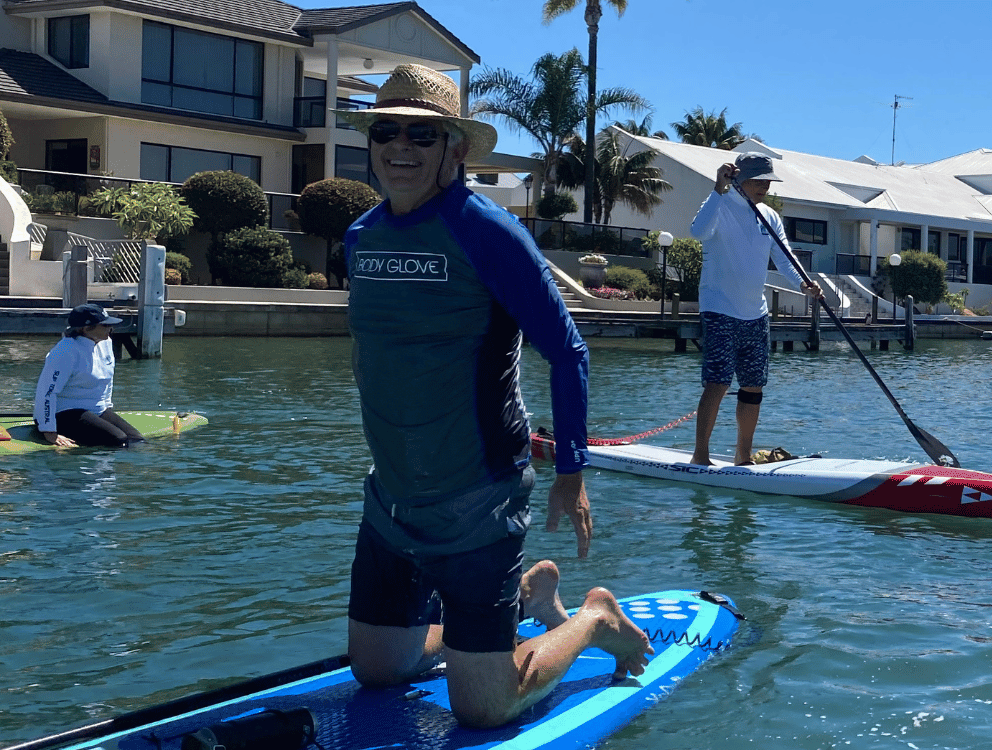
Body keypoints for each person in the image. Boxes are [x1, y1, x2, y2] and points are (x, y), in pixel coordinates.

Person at [336, 64, 649, 729]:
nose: (400, 148)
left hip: (480, 497)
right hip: (391, 498)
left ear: (456, 147)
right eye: (386, 131)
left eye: (422, 136)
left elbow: (567, 350)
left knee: (484, 707)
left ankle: (592, 618)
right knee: (376, 668)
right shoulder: (361, 237)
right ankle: (524, 598)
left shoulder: (487, 231)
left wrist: (572, 473)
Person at [687, 151, 819, 466]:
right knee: (718, 382)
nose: (764, 187)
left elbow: (785, 256)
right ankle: (700, 456)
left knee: (753, 386)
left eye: (768, 181)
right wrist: (717, 189)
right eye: (757, 180)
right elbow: (697, 232)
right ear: (738, 179)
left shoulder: (769, 217)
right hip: (719, 308)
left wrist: (803, 283)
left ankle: (742, 456)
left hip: (756, 314)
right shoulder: (718, 205)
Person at [33, 303, 144, 448]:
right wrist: (48, 431)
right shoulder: (64, 351)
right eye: (104, 325)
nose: (110, 328)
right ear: (86, 329)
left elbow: (107, 380)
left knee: (136, 440)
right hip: (63, 412)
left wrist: (108, 410)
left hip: (96, 409)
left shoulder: (106, 343)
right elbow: (46, 392)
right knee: (119, 440)